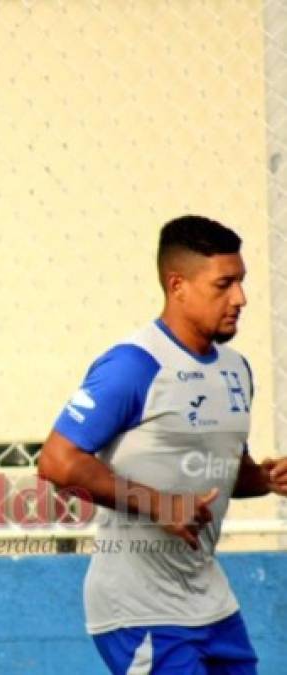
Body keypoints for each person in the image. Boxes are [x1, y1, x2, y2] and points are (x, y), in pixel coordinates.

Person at [38, 215, 287, 674]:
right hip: (138, 608)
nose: (241, 298)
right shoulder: (134, 364)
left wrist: (268, 477)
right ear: (178, 286)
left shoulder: (236, 370)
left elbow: (222, 471)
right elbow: (57, 462)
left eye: (242, 282)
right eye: (224, 284)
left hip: (211, 601)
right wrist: (159, 505)